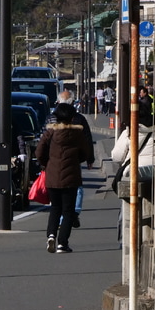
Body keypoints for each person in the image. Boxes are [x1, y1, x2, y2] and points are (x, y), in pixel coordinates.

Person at [35, 103, 93, 254]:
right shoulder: (77, 134)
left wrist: (47, 163)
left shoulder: (50, 132)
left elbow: (39, 151)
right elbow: (85, 152)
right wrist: (75, 160)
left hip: (53, 175)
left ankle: (51, 235)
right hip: (71, 176)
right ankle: (63, 243)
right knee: (68, 211)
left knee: (55, 207)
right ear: (72, 117)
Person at [49, 89, 94, 228]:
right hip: (74, 158)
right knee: (76, 186)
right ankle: (74, 212)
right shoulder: (79, 118)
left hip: (54, 159)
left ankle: (60, 220)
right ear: (72, 103)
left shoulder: (51, 118)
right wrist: (89, 158)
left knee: (55, 189)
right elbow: (87, 138)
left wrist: (43, 160)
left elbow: (44, 140)